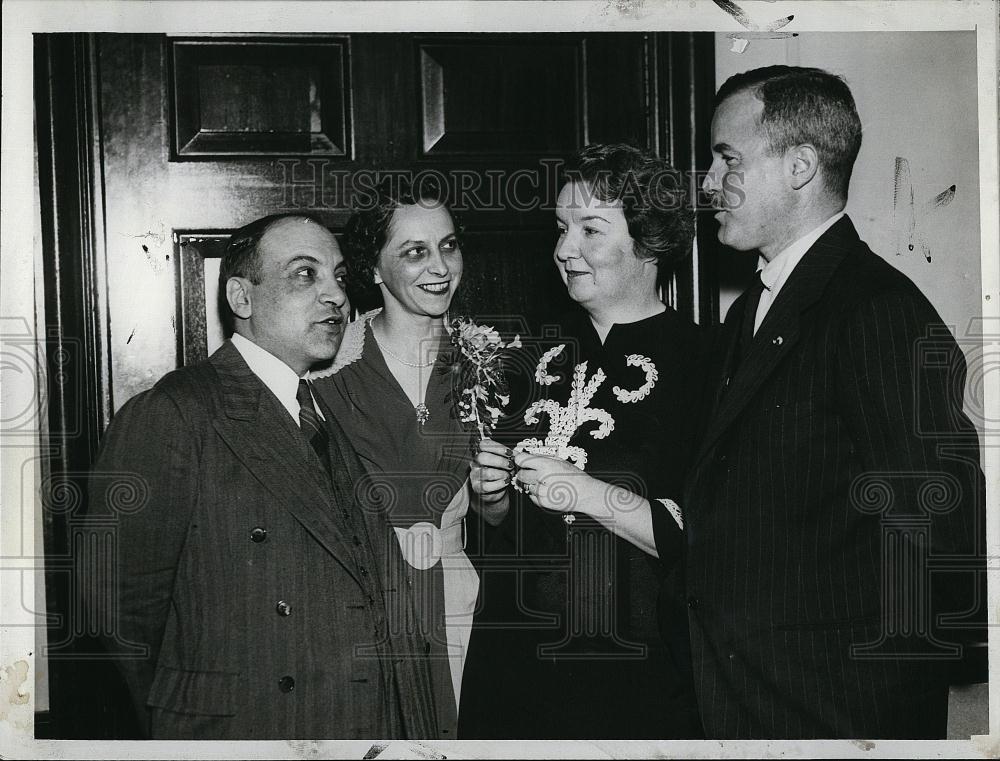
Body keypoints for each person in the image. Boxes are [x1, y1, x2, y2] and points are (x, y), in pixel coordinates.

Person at [687, 65, 985, 738]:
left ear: (799, 166)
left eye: (728, 158)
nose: (708, 183)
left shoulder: (875, 308)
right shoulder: (753, 314)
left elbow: (942, 518)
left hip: (834, 708)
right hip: (752, 695)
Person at [87, 213, 437, 739]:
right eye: (305, 274)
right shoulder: (174, 412)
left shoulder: (318, 409)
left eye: (340, 278)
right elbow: (116, 607)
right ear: (241, 298)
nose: (336, 297)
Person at [459, 144, 709, 739]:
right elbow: (498, 538)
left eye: (590, 230)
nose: (564, 249)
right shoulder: (524, 360)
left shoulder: (709, 364)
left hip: (640, 677)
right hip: (516, 672)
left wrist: (591, 495)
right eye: (561, 228)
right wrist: (490, 499)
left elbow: (721, 541)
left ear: (649, 244)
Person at [310, 178, 508, 740]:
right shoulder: (327, 369)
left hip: (455, 606)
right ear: (373, 269)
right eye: (415, 252)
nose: (440, 266)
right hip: (358, 609)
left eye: (449, 245)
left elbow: (498, 519)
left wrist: (493, 497)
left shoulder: (488, 363)